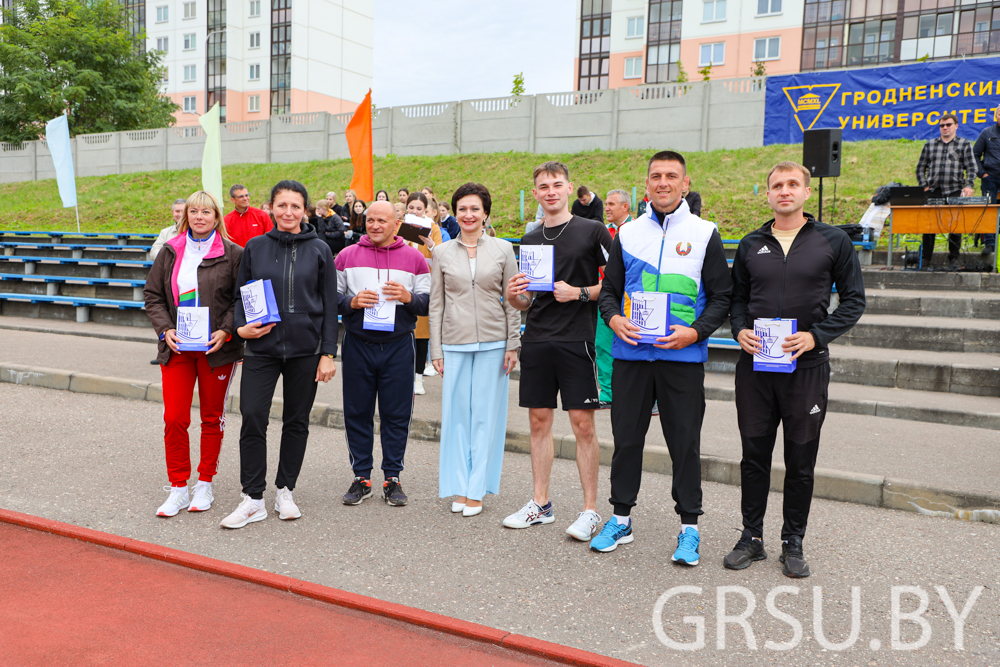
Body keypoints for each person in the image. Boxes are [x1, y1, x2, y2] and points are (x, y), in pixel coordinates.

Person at [591, 151, 732, 565]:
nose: (663, 182)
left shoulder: (705, 232)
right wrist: (615, 319)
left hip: (681, 357)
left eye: (672, 176)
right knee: (626, 441)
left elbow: (722, 296)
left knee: (684, 444)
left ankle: (689, 529)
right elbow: (609, 293)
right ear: (646, 184)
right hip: (631, 355)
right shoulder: (628, 233)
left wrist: (696, 332)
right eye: (656, 176)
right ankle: (621, 518)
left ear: (685, 183)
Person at [725, 161, 866, 577]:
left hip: (806, 370)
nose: (783, 191)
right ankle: (752, 536)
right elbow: (736, 299)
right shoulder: (751, 244)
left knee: (800, 460)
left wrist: (815, 336)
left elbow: (854, 301)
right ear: (767, 194)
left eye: (792, 185)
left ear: (806, 192)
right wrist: (738, 330)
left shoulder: (833, 241)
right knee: (754, 456)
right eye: (776, 186)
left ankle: (793, 540)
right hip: (756, 369)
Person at [503, 161, 613, 542]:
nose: (550, 191)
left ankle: (590, 510)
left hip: (578, 339)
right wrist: (514, 296)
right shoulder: (530, 238)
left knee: (583, 425)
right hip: (537, 338)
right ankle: (541, 503)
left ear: (569, 189)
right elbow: (526, 302)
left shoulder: (592, 230)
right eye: (543, 186)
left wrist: (579, 293)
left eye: (557, 185)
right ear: (535, 194)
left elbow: (618, 284)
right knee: (538, 422)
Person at [220, 180, 338, 529]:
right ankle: (252, 498)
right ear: (270, 207)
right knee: (253, 416)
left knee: (296, 421)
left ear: (305, 210)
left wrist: (328, 352)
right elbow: (240, 295)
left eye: (295, 206)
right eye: (282, 205)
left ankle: (285, 490)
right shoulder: (254, 247)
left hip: (305, 350)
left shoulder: (320, 250)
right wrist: (241, 329)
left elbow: (330, 306)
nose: (288, 212)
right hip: (261, 349)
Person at [144, 191, 243, 518]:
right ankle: (178, 487)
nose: (200, 217)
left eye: (207, 211)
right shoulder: (170, 252)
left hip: (217, 349)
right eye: (194, 211)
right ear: (186, 216)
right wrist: (165, 330)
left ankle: (205, 482)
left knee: (211, 418)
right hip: (178, 348)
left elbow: (240, 300)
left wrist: (226, 330)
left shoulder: (233, 254)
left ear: (217, 216)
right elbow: (153, 296)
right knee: (174, 418)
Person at [430, 183, 520, 517]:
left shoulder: (502, 250)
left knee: (485, 417)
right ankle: (459, 485)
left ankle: (476, 489)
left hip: (494, 343)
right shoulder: (441, 252)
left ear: (486, 214)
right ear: (455, 213)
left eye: (475, 209)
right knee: (456, 417)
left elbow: (513, 301)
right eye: (463, 209)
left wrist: (513, 343)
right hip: (453, 343)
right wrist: (435, 350)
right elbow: (436, 304)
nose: (469, 215)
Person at [336, 201, 431, 507]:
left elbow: (428, 302)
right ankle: (361, 477)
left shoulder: (415, 258)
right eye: (370, 220)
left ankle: (393, 477)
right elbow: (331, 299)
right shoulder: (346, 256)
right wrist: (350, 303)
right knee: (357, 413)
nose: (375, 225)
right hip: (357, 345)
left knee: (396, 414)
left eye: (382, 221)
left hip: (399, 346)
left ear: (396, 223)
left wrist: (408, 297)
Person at [915, 113, 977, 266]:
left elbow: (971, 167)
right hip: (933, 190)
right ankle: (926, 258)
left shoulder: (964, 144)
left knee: (955, 226)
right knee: (929, 226)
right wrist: (924, 185)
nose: (945, 128)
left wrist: (969, 185)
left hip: (955, 190)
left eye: (948, 125)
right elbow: (920, 168)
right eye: (942, 125)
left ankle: (954, 258)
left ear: (956, 125)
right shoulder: (930, 145)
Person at [594, 189, 633, 407]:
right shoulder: (602, 231)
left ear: (625, 207)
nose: (606, 208)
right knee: (603, 345)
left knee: (638, 345)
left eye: (611, 204)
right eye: (605, 204)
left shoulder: (638, 230)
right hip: (606, 295)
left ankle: (651, 398)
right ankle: (608, 394)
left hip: (631, 298)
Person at [406, 192, 443, 393]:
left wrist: (430, 243)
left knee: (421, 336)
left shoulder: (433, 228)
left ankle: (418, 379)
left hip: (424, 286)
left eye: (419, 208)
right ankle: (403, 377)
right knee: (403, 334)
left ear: (426, 210)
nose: (415, 211)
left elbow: (442, 255)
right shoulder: (398, 227)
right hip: (402, 284)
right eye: (411, 207)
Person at [973, 105, 1000, 256]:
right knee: (988, 209)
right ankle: (989, 243)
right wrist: (982, 173)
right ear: (996, 116)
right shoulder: (987, 132)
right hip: (990, 178)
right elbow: (975, 154)